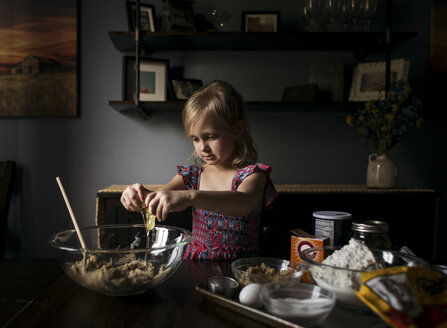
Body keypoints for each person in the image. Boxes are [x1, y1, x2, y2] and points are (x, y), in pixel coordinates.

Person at [120, 80, 277, 260]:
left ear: (238, 129)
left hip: (240, 267)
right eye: (195, 139)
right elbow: (154, 199)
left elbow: (243, 203)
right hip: (196, 265)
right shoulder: (192, 176)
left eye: (210, 137)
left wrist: (190, 196)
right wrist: (137, 196)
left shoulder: (252, 175)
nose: (203, 147)